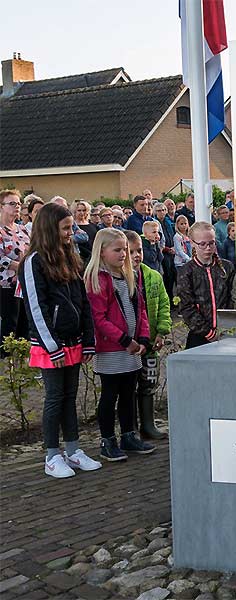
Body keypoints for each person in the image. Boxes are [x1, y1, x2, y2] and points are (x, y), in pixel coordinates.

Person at [19, 202, 101, 478]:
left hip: (74, 340)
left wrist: (88, 339)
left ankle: (73, 449)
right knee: (55, 397)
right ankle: (52, 456)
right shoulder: (33, 262)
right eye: (66, 228)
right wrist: (50, 345)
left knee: (69, 396)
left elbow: (83, 301)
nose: (71, 232)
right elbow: (35, 307)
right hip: (51, 345)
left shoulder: (70, 254)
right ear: (49, 229)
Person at [84, 228, 155, 461]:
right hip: (112, 349)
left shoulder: (128, 276)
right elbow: (99, 319)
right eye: (118, 249)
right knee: (110, 394)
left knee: (128, 394)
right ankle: (107, 440)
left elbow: (141, 309)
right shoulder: (97, 279)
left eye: (125, 249)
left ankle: (128, 435)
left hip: (132, 348)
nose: (123, 254)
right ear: (102, 252)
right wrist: (124, 340)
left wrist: (143, 338)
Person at [124, 230, 171, 440]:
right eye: (130, 251)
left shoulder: (153, 276)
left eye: (139, 250)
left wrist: (161, 331)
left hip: (151, 343)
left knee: (149, 382)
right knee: (129, 387)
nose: (136, 255)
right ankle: (131, 427)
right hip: (129, 346)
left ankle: (148, 424)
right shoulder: (119, 279)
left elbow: (164, 305)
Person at [175, 221, 236, 349]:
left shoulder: (227, 267)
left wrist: (227, 324)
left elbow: (233, 298)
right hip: (199, 335)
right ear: (192, 243)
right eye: (202, 244)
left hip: (226, 332)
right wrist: (208, 332)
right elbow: (186, 306)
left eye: (211, 243)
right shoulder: (186, 272)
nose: (208, 248)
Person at [1, 189, 30, 347]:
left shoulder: (23, 229)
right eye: (12, 203)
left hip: (24, 282)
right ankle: (7, 363)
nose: (17, 207)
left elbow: (32, 250)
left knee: (25, 324)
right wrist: (19, 266)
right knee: (9, 324)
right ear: (1, 206)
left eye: (19, 203)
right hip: (6, 285)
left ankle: (24, 364)